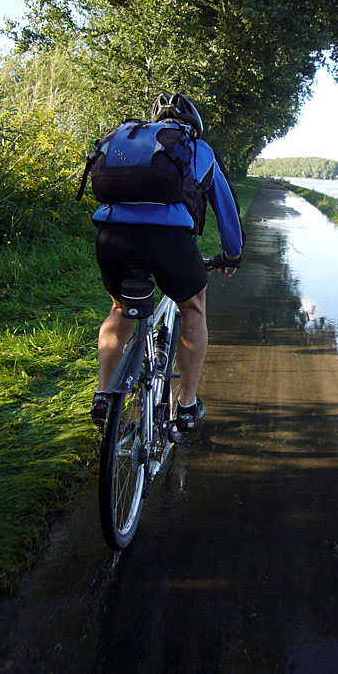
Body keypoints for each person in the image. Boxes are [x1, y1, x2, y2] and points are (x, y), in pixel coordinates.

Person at [90, 92, 243, 434]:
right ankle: (186, 404)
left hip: (111, 236)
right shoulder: (198, 149)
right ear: (193, 127)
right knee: (192, 308)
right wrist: (231, 254)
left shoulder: (125, 140)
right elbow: (226, 208)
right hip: (168, 241)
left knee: (119, 310)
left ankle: (103, 394)